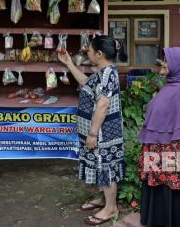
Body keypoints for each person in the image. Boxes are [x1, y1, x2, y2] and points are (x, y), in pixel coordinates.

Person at [58, 35, 124, 226]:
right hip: (101, 131)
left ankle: (111, 208)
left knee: (105, 167)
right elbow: (86, 84)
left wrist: (93, 133)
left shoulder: (106, 74)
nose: (87, 51)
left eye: (90, 49)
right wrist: (69, 64)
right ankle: (105, 200)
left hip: (103, 133)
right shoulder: (103, 72)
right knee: (99, 164)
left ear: (100, 54)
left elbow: (103, 105)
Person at [138, 47, 180, 227]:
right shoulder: (171, 86)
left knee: (171, 194)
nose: (163, 63)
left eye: (167, 60)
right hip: (160, 152)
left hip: (172, 155)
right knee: (161, 193)